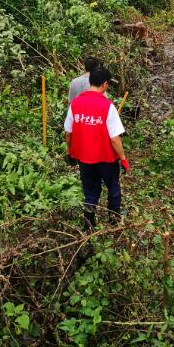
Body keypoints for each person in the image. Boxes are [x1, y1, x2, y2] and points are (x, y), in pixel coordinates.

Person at [64, 67, 130, 230]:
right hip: (106, 158)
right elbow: (115, 138)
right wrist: (123, 158)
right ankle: (114, 218)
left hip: (84, 157)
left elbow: (68, 133)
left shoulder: (75, 103)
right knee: (112, 186)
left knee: (90, 189)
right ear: (105, 84)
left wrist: (70, 151)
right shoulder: (107, 106)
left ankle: (89, 222)